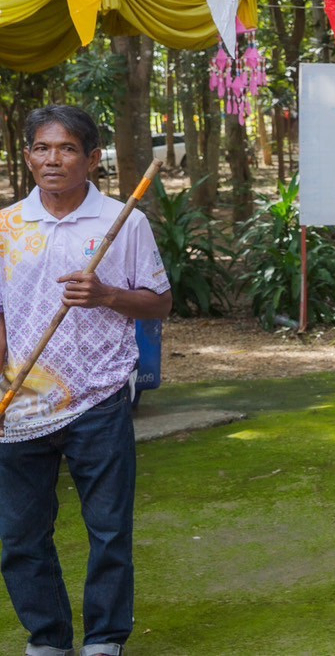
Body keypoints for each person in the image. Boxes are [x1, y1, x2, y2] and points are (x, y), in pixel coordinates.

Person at [0, 105, 172, 656]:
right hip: (19, 402)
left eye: (68, 148)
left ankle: (104, 638)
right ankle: (48, 639)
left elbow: (160, 303)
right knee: (21, 536)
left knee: (108, 531)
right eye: (43, 148)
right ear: (28, 157)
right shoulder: (6, 227)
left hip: (98, 397)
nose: (54, 159)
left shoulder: (123, 221)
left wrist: (106, 296)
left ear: (92, 159)